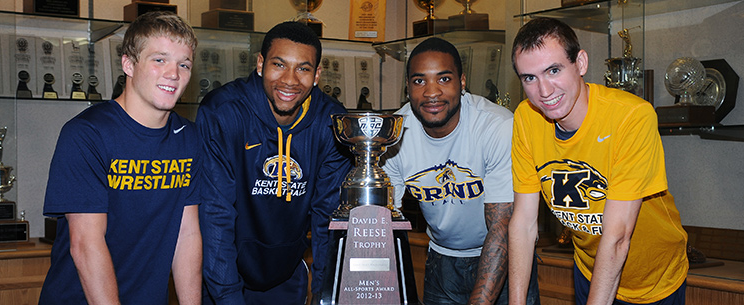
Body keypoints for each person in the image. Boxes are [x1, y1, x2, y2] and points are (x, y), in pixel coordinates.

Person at [508, 17, 688, 305]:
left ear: (580, 63)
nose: (544, 91)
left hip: (654, 279)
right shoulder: (526, 118)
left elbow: (617, 236)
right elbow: (523, 223)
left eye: (553, 70)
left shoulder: (631, 117)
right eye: (529, 78)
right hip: (591, 269)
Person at [39, 11, 201, 304]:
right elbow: (86, 245)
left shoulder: (188, 137)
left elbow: (187, 235)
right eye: (159, 59)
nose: (174, 74)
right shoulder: (87, 134)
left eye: (184, 64)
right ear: (128, 63)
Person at [196, 21, 352, 304]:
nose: (290, 80)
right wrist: (228, 298)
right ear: (260, 64)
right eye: (279, 65)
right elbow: (215, 215)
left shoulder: (331, 123)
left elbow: (327, 218)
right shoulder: (223, 112)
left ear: (317, 75)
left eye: (303, 68)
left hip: (286, 272)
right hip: (223, 272)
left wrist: (323, 294)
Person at [381, 37, 539, 305]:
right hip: (441, 263)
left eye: (444, 79)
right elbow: (384, 222)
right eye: (420, 81)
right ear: (407, 87)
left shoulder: (496, 126)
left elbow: (501, 226)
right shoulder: (395, 133)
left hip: (505, 257)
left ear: (462, 82)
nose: (432, 92)